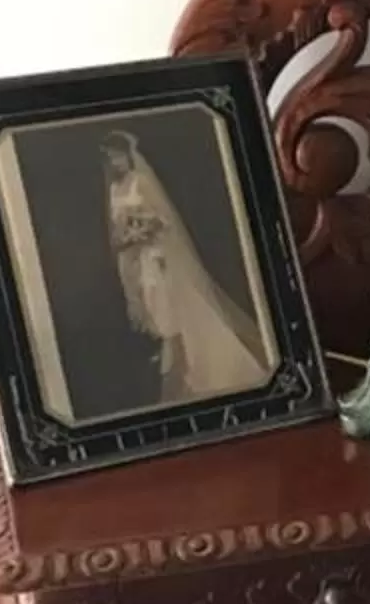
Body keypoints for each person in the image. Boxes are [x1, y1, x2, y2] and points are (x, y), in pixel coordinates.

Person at [101, 127, 270, 402]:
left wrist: (144, 229)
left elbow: (163, 219)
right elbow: (117, 227)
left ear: (128, 156)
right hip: (139, 258)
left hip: (159, 255)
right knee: (156, 314)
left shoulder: (140, 181)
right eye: (110, 158)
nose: (115, 163)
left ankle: (202, 369)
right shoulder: (113, 189)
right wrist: (128, 236)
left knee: (175, 313)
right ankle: (178, 369)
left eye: (118, 156)